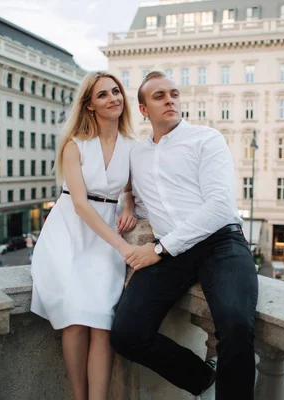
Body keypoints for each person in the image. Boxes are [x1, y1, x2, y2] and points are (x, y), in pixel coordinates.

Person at [110, 71, 259, 399]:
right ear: (144, 109)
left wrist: (160, 249)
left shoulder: (207, 139)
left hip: (219, 242)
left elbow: (220, 206)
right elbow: (135, 194)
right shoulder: (137, 153)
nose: (170, 100)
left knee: (235, 326)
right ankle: (202, 378)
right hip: (172, 249)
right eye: (160, 96)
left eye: (174, 94)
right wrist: (128, 206)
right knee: (126, 334)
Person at [30, 71, 138, 400]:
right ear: (90, 105)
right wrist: (121, 245)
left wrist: (129, 207)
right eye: (103, 94)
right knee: (76, 320)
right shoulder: (74, 145)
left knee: (103, 323)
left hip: (105, 233)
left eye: (116, 91)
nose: (113, 98)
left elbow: (132, 189)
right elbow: (79, 204)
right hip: (70, 233)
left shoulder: (132, 147)